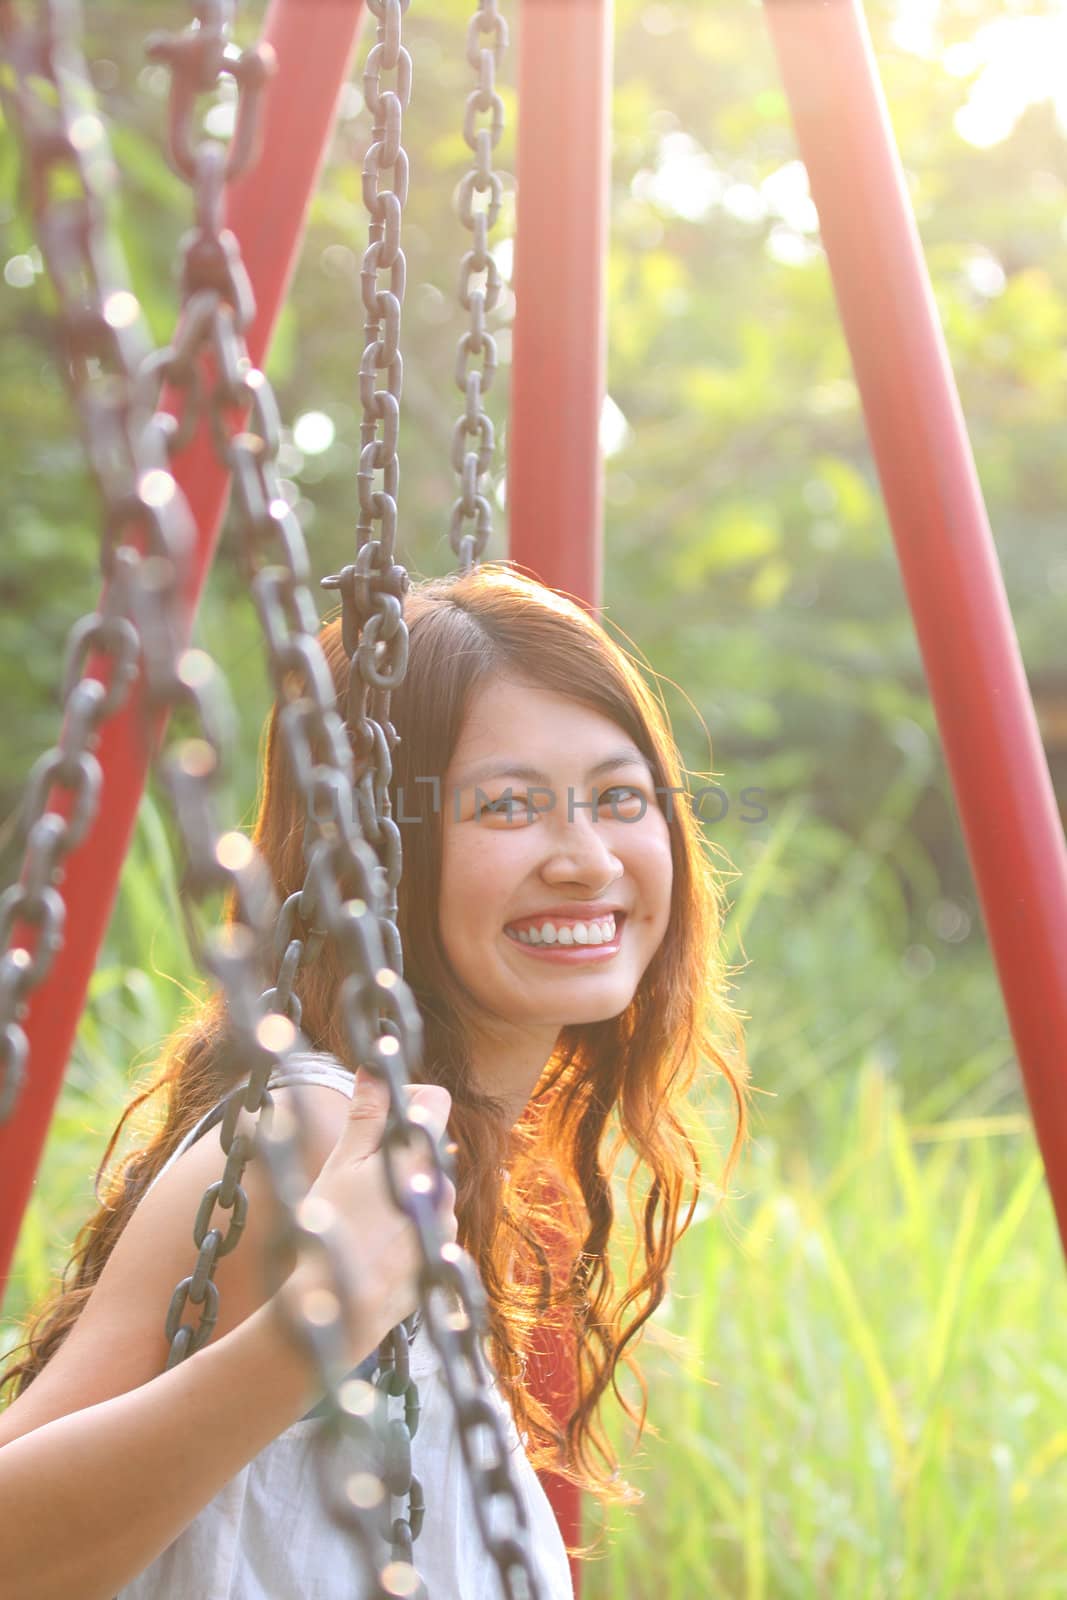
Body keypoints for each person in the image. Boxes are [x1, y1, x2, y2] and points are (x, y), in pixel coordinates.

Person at [0, 563, 751, 1598]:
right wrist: (309, 1330)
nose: (585, 857)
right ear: (374, 857)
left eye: (619, 797)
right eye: (507, 806)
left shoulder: (443, 1146)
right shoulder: (314, 1129)